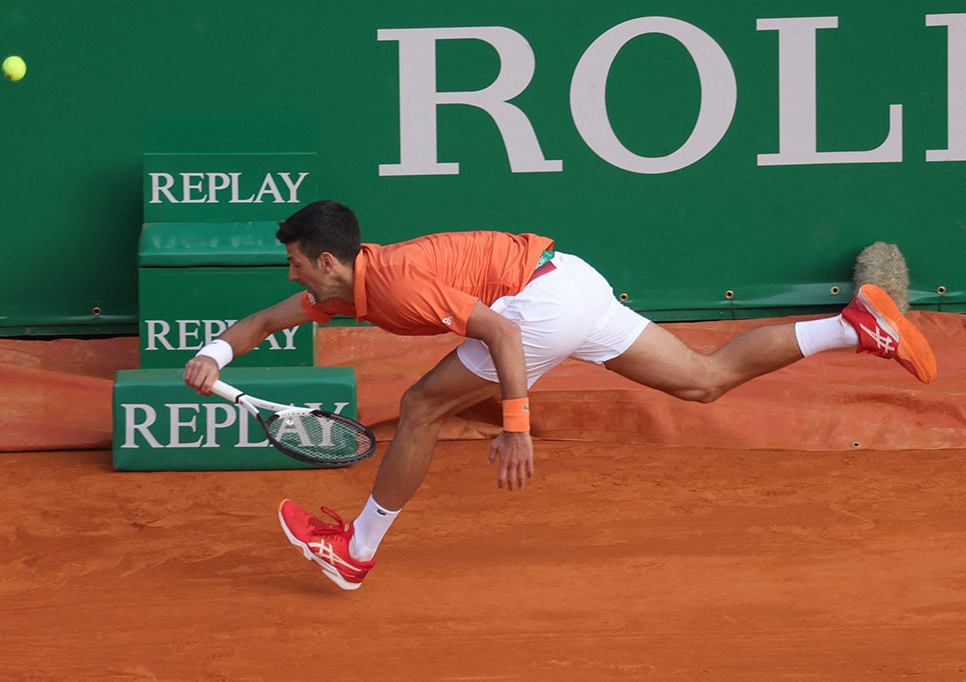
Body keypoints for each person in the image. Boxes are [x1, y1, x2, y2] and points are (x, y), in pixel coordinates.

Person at [184, 200, 936, 590]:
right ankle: (855, 327)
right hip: (571, 279)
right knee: (703, 381)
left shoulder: (400, 285)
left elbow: (503, 338)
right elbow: (261, 322)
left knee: (420, 406)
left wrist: (517, 425)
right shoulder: (345, 283)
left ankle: (356, 551)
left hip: (535, 308)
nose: (290, 279)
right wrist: (215, 353)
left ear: (326, 262)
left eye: (294, 265)